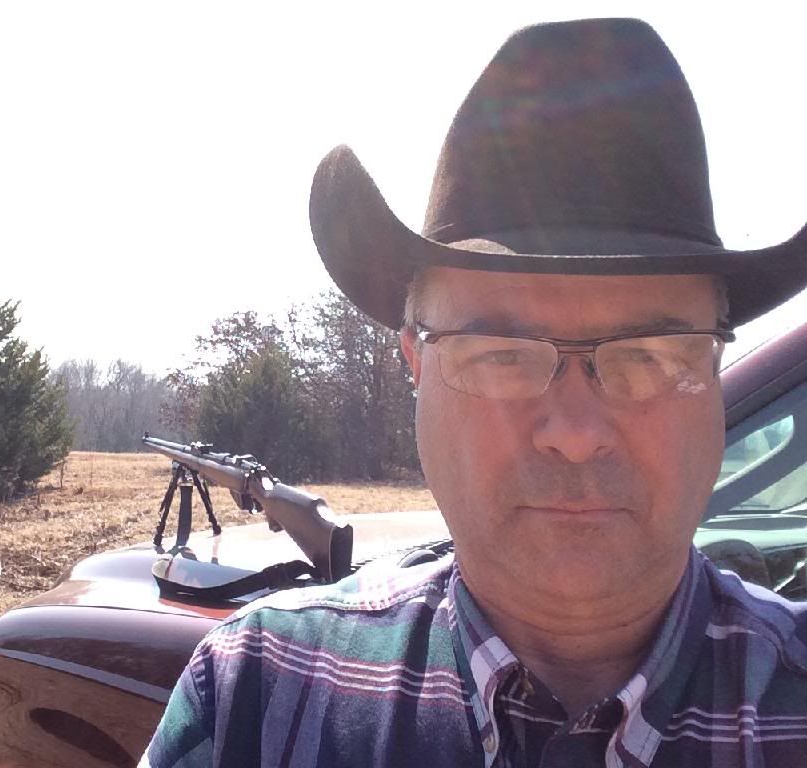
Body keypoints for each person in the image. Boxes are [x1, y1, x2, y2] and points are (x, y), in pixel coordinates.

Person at [141, 18, 807, 767]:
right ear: (416, 364)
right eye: (501, 356)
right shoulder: (255, 698)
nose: (575, 432)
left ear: (713, 371)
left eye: (649, 357)